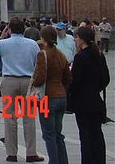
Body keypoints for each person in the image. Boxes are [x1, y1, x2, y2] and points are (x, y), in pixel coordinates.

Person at [0, 17, 43, 163]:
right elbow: (37, 62)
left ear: (9, 29)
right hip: (28, 82)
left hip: (9, 82)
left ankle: (11, 153)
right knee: (29, 118)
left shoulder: (3, 43)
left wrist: (1, 36)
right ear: (23, 29)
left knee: (10, 118)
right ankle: (31, 153)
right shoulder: (32, 44)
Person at [69, 25, 110, 164]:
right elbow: (106, 78)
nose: (75, 40)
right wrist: (95, 88)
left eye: (76, 37)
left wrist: (73, 92)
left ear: (82, 39)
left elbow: (75, 81)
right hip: (96, 100)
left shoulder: (80, 57)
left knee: (85, 135)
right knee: (97, 134)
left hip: (82, 102)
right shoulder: (99, 55)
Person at [32, 25, 71, 164]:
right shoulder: (61, 54)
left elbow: (40, 78)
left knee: (49, 134)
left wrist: (34, 81)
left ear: (43, 38)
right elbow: (68, 77)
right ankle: (63, 161)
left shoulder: (43, 54)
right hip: (61, 96)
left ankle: (54, 161)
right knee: (58, 134)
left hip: (47, 97)